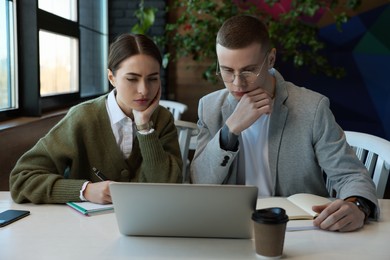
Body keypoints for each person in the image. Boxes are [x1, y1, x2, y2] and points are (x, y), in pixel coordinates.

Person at [190, 15, 379, 232]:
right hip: (230, 227)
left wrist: (357, 205)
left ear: (270, 60)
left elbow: (351, 176)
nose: (237, 83)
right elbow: (199, 182)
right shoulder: (210, 107)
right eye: (227, 70)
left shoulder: (312, 108)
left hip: (299, 229)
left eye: (249, 70)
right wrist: (229, 130)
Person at [10, 33, 182, 204]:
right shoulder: (83, 117)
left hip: (148, 224)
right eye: (132, 79)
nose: (144, 90)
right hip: (86, 226)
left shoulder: (162, 119)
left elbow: (168, 187)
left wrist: (145, 128)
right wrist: (85, 190)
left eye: (152, 79)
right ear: (111, 78)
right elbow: (22, 179)